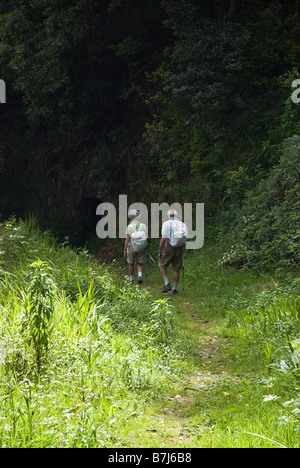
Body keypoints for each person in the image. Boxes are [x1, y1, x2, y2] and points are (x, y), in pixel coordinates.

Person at [158, 209, 188, 295]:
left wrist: (160, 251)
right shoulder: (183, 224)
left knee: (162, 265)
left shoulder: (167, 224)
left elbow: (163, 238)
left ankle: (167, 283)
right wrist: (184, 250)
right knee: (176, 268)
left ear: (169, 216)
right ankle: (175, 289)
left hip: (169, 247)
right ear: (176, 215)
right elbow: (185, 238)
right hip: (180, 247)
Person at [124, 209, 148, 284]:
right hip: (141, 246)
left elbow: (127, 239)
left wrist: (125, 249)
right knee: (139, 263)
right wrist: (146, 244)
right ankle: (140, 276)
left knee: (131, 263)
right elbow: (147, 237)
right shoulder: (143, 226)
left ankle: (131, 279)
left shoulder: (129, 227)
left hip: (131, 246)